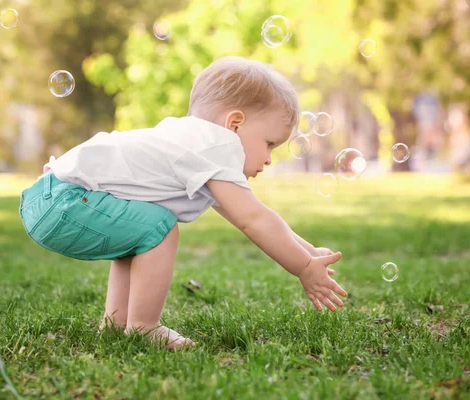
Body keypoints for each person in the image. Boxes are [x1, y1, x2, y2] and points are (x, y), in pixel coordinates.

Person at [18, 56, 347, 351]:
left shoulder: (195, 147)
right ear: (234, 124)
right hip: (65, 202)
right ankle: (144, 327)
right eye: (269, 143)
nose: (269, 158)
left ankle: (117, 325)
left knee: (142, 232)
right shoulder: (217, 146)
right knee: (161, 228)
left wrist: (308, 251)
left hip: (48, 199)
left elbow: (255, 215)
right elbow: (254, 220)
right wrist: (303, 268)